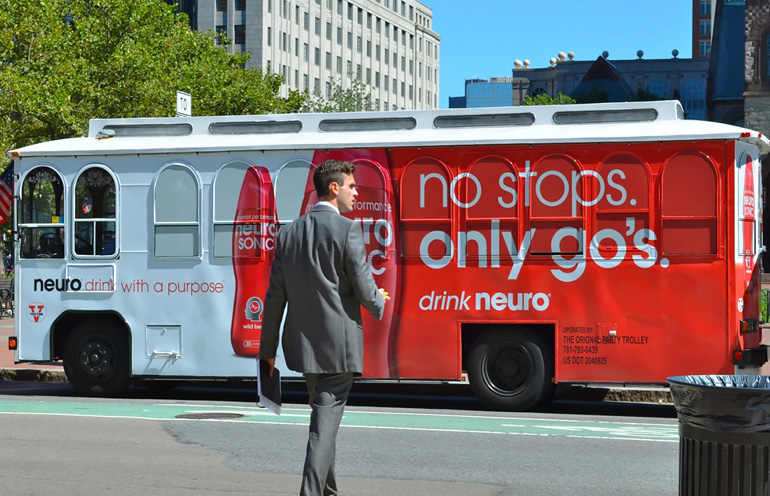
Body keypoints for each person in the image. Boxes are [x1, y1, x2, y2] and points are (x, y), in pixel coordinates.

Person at [260, 159, 390, 496]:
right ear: (334, 188)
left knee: (324, 420)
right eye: (351, 186)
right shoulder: (347, 229)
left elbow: (275, 298)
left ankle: (329, 492)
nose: (356, 193)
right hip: (339, 347)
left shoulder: (288, 233)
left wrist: (267, 353)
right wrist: (380, 300)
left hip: (303, 349)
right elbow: (364, 288)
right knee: (323, 426)